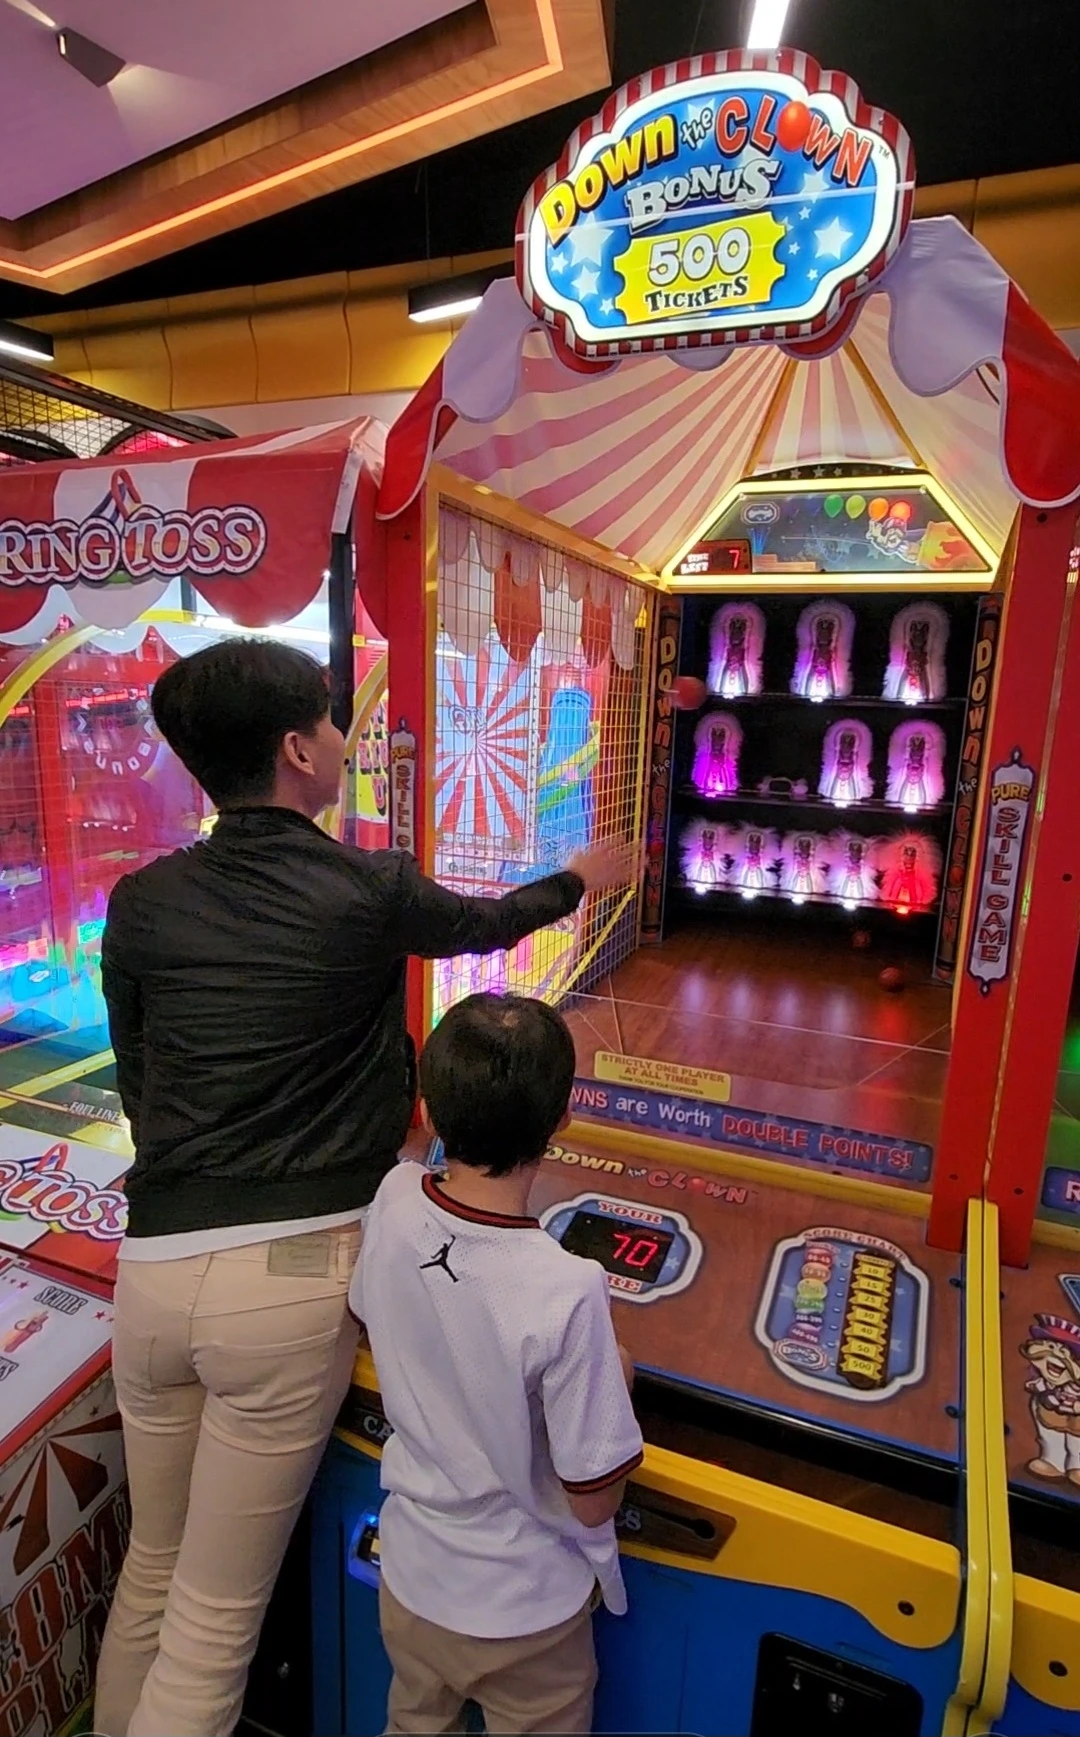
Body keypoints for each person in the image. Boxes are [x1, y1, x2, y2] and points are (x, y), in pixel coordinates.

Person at [93, 639, 631, 1737]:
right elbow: (486, 924)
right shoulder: (364, 887)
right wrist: (583, 877)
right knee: (211, 1623)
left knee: (152, 1570)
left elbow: (140, 1080)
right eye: (333, 721)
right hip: (281, 1286)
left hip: (151, 1272)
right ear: (299, 751)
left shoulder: (141, 900)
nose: (346, 737)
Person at [352, 993, 643, 1736]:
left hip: (411, 1580)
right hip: (525, 1612)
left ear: (428, 1111)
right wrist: (617, 1379)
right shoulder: (567, 1288)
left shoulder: (393, 1197)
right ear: (562, 1119)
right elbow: (593, 1498)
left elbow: (371, 1306)